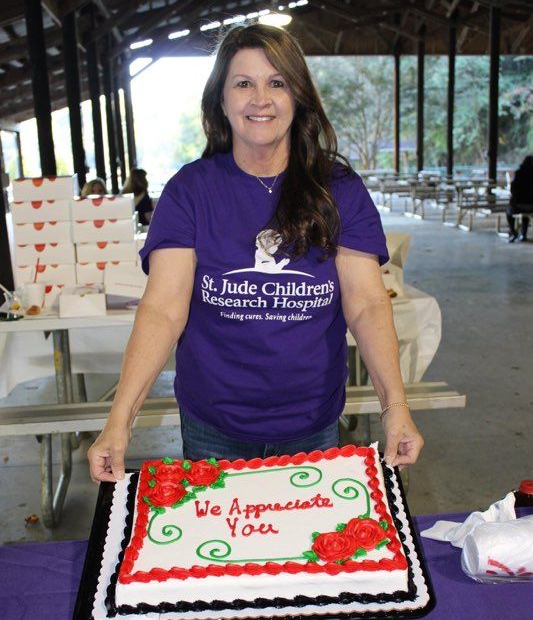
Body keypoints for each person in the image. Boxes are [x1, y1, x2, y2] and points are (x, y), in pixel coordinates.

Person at [88, 24, 423, 484]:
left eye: (277, 82)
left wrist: (396, 408)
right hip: (213, 426)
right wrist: (119, 421)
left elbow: (366, 303)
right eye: (243, 83)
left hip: (312, 421)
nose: (260, 98)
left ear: (297, 96)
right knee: (221, 552)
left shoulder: (339, 189)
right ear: (221, 101)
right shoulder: (190, 191)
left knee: (305, 551)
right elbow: (164, 309)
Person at [506, 155, 533, 242]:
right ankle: (523, 234)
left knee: (508, 212)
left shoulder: (519, 173)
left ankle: (513, 232)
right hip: (531, 207)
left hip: (518, 206)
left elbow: (512, 188)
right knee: (526, 214)